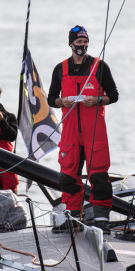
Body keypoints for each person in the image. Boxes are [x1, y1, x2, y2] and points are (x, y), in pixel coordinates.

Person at [48, 25, 119, 234]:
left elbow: (114, 95)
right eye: (79, 42)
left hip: (94, 130)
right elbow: (51, 98)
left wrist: (97, 99)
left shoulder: (100, 66)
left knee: (98, 175)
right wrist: (61, 102)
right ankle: (72, 218)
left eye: (85, 42)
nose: (82, 45)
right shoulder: (60, 69)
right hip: (70, 131)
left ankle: (101, 220)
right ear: (71, 43)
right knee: (68, 176)